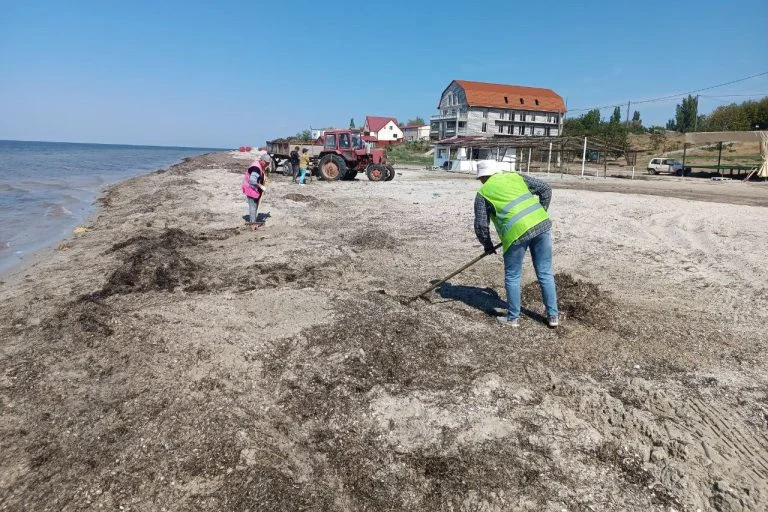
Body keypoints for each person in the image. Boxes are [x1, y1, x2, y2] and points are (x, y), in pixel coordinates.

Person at [474, 160, 558, 328]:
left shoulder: (483, 193)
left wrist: (487, 245)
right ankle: (553, 317)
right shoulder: (515, 177)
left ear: (483, 177)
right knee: (545, 273)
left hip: (515, 234)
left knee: (513, 276)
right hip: (541, 224)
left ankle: (513, 318)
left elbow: (481, 225)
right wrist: (539, 213)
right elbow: (545, 189)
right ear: (496, 172)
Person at [242, 153, 270, 230]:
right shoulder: (256, 168)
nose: (267, 165)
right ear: (262, 160)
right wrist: (261, 186)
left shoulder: (260, 165)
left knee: (254, 206)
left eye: (268, 163)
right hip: (250, 189)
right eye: (266, 163)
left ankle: (253, 220)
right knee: (253, 206)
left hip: (254, 189)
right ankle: (253, 224)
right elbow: (252, 181)